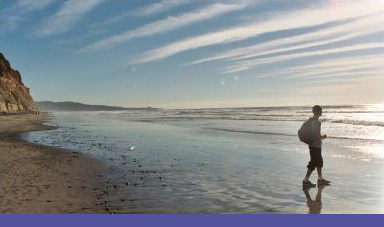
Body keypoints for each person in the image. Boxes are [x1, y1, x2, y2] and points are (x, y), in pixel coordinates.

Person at [302, 105, 330, 188]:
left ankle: (320, 180)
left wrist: (320, 137)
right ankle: (305, 181)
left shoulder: (311, 121)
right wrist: (323, 137)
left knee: (318, 162)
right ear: (319, 112)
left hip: (313, 145)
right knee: (313, 163)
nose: (321, 113)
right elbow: (317, 136)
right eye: (321, 111)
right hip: (315, 146)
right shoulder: (317, 122)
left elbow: (314, 134)